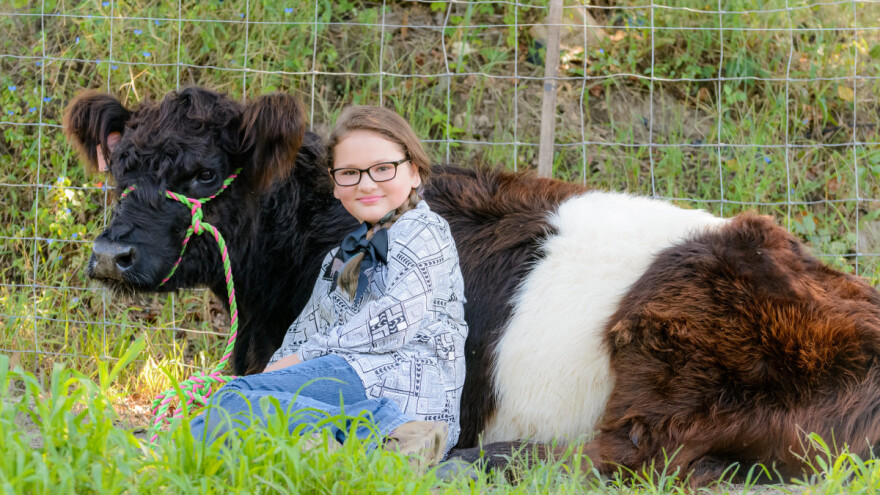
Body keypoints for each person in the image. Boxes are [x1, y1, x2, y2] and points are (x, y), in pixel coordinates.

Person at [189, 106, 469, 467]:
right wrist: (276, 370)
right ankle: (348, 446)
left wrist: (299, 360)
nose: (367, 184)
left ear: (414, 172)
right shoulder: (342, 256)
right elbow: (307, 329)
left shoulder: (425, 231)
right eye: (350, 173)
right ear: (335, 184)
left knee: (237, 401)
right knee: (241, 400)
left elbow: (396, 321)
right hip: (348, 384)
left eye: (383, 169)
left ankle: (394, 434)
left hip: (411, 393)